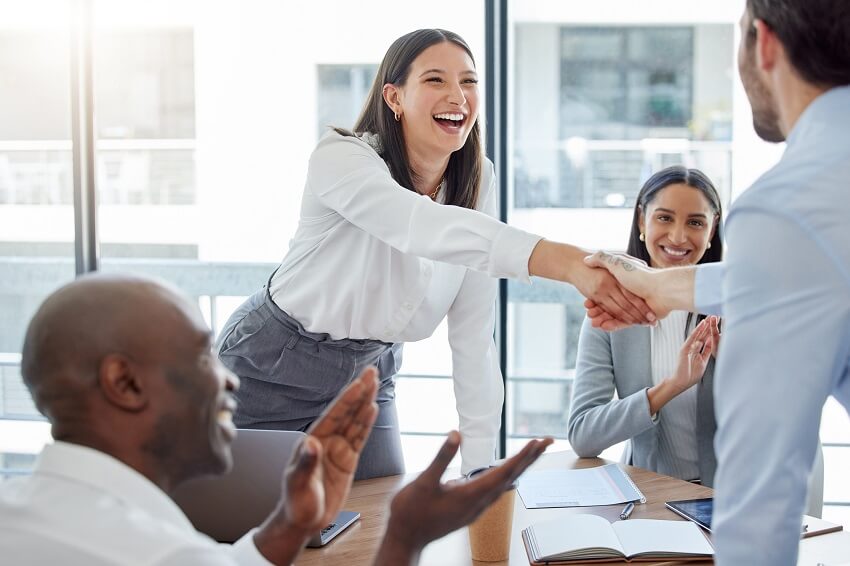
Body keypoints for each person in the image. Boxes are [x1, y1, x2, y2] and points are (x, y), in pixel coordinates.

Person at [217, 28, 652, 480]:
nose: (457, 96)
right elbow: (418, 226)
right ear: (394, 97)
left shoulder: (478, 179)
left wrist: (480, 468)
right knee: (252, 533)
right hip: (273, 364)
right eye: (435, 80)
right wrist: (569, 264)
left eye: (468, 81)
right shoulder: (342, 157)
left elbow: (474, 336)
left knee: (378, 527)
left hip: (370, 372)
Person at [0, 273, 553, 565]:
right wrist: (405, 538)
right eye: (199, 356)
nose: (229, 377)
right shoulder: (151, 553)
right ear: (124, 383)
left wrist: (288, 525)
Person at [584, 1, 850, 563]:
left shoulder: (787, 207)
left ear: (765, 42)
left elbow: (762, 496)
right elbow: (807, 277)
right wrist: (663, 288)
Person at [568, 166, 722, 486]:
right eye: (664, 218)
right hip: (646, 497)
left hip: (727, 500)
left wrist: (738, 366)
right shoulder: (610, 308)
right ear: (642, 220)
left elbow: (777, 426)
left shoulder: (733, 306)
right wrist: (669, 387)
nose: (678, 237)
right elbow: (583, 434)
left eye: (695, 222)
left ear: (712, 229)